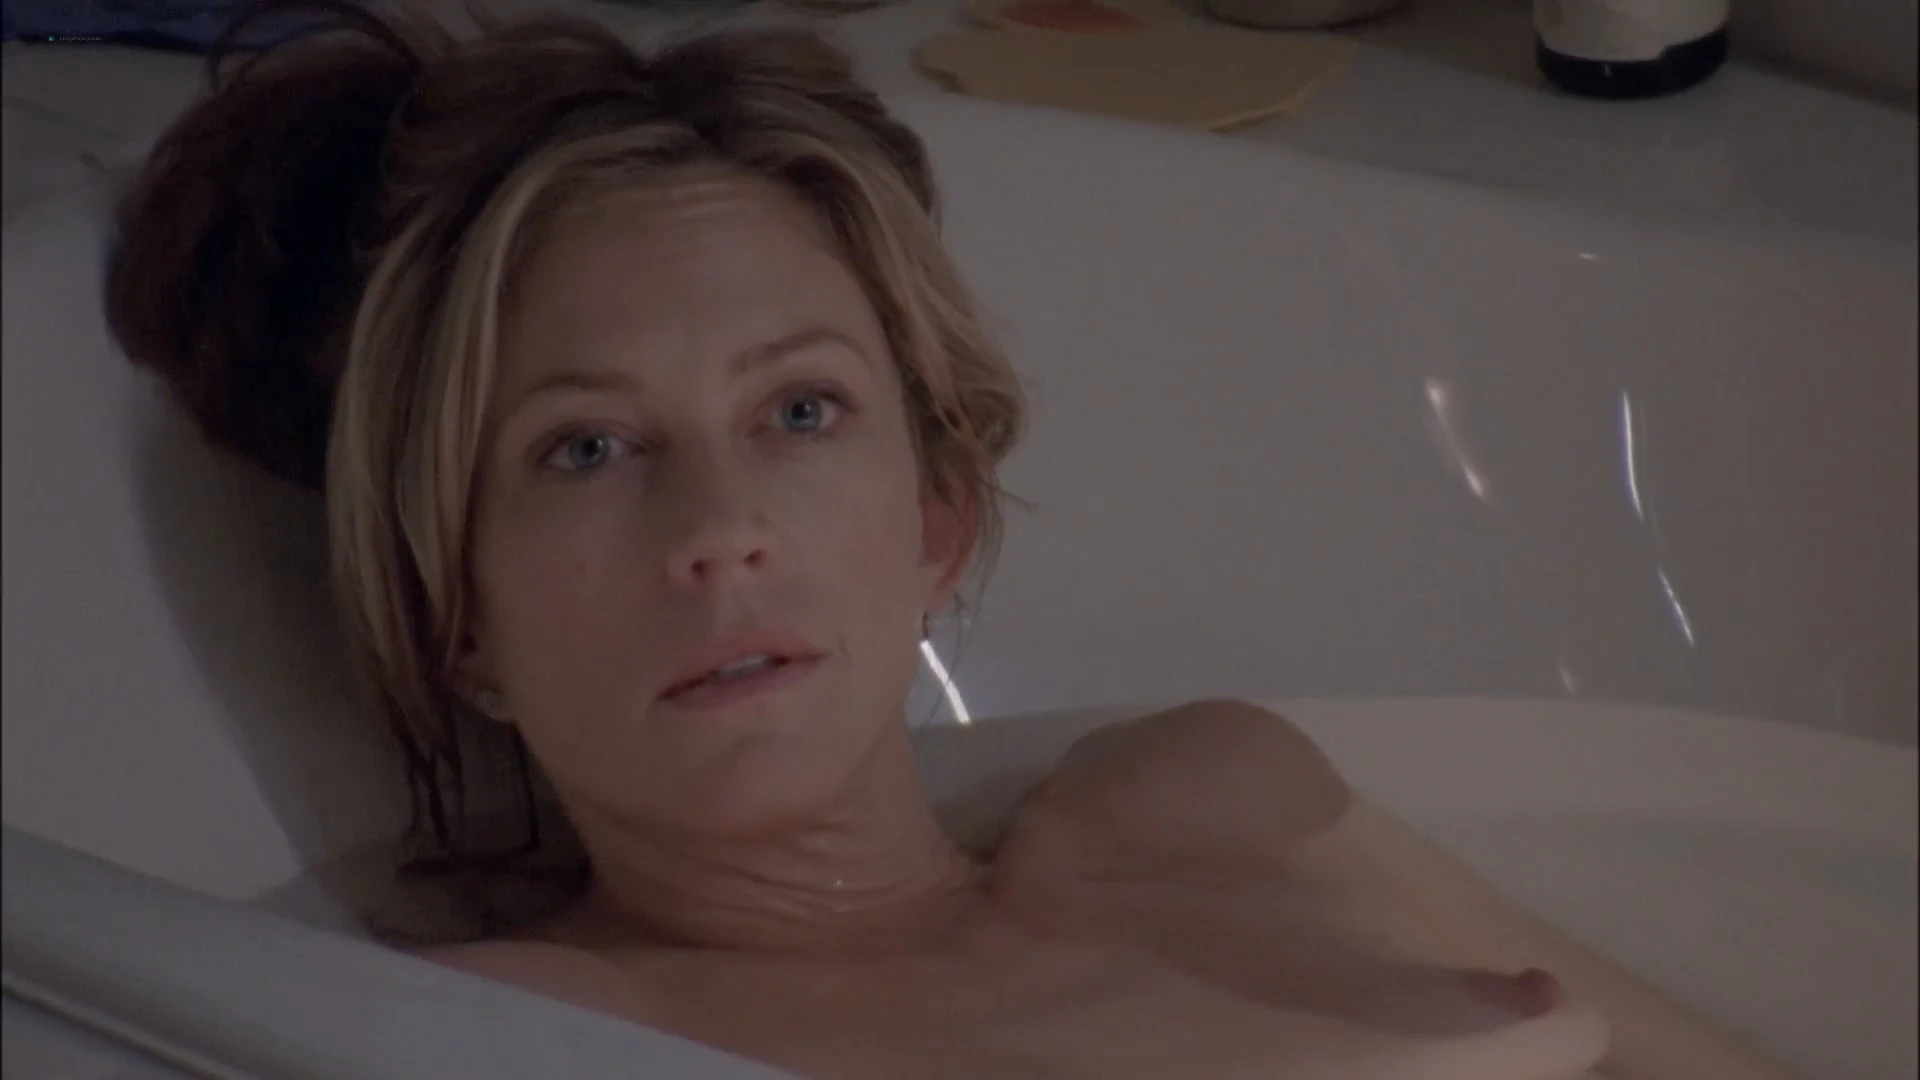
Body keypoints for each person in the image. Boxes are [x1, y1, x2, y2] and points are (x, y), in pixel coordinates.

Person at [104, 4, 1798, 1077]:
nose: (720, 532)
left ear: (937, 516)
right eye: (588, 448)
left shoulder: (1216, 795)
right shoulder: (524, 1033)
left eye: (800, 410)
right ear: (455, 623)